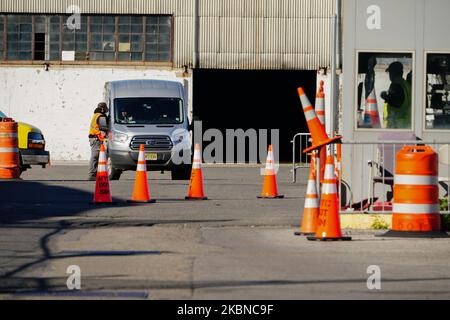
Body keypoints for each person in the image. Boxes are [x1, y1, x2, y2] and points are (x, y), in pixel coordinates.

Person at [381, 61, 412, 129]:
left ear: (392, 73)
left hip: (396, 127)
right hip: (406, 126)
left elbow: (397, 102)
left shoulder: (395, 85)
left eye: (390, 72)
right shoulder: (407, 85)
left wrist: (385, 96)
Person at [88, 102, 109, 181]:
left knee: (95, 156)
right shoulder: (101, 116)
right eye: (105, 108)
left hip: (94, 138)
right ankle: (92, 174)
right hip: (97, 138)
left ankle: (94, 173)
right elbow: (103, 129)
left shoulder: (96, 115)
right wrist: (108, 137)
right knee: (95, 156)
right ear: (103, 108)